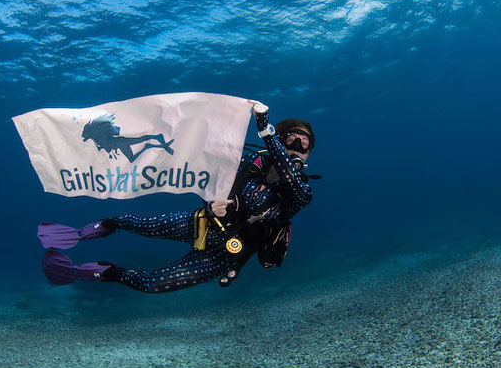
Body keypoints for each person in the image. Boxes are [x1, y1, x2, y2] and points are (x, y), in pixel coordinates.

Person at [39, 102, 315, 293]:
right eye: (292, 140)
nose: (299, 149)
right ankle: (88, 231)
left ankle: (104, 272)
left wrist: (266, 131)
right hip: (200, 224)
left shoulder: (301, 192)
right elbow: (209, 181)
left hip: (225, 254)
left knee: (152, 285)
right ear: (281, 140)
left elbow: (289, 177)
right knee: (134, 222)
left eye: (306, 146)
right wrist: (212, 203)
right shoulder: (246, 163)